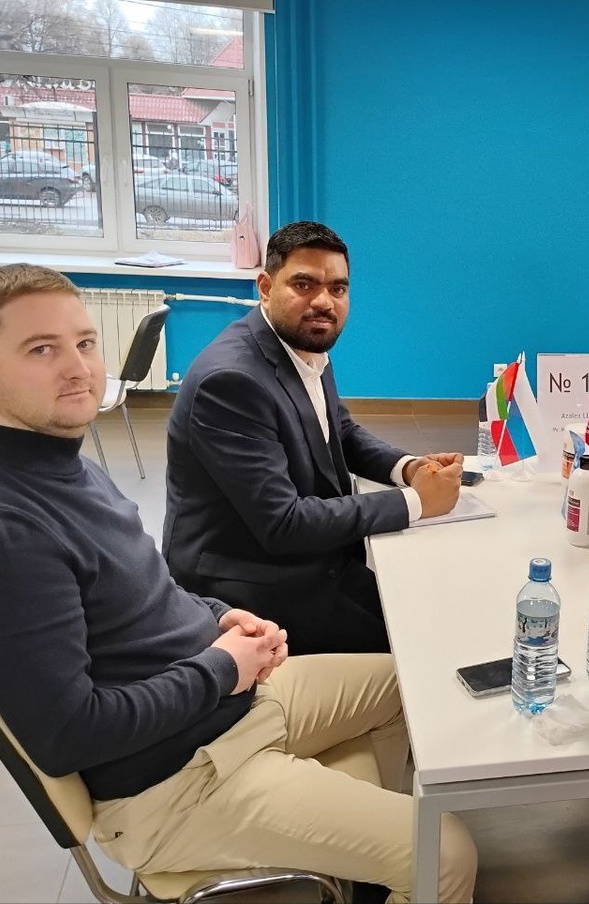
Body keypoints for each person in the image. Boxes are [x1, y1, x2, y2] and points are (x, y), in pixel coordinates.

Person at [0, 264, 478, 904]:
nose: (78, 369)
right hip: (174, 783)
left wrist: (219, 615)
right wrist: (221, 668)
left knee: (413, 689)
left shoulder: (57, 458)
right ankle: (398, 863)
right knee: (446, 856)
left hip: (226, 705)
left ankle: (366, 869)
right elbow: (66, 736)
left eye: (84, 343)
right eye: (41, 350)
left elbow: (143, 590)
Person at [164, 221, 464, 655]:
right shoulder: (230, 381)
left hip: (312, 561)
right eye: (304, 284)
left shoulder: (302, 344)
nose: (324, 301)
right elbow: (283, 524)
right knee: (426, 645)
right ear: (265, 287)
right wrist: (415, 502)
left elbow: (339, 430)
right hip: (250, 589)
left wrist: (409, 468)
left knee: (434, 609)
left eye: (338, 288)